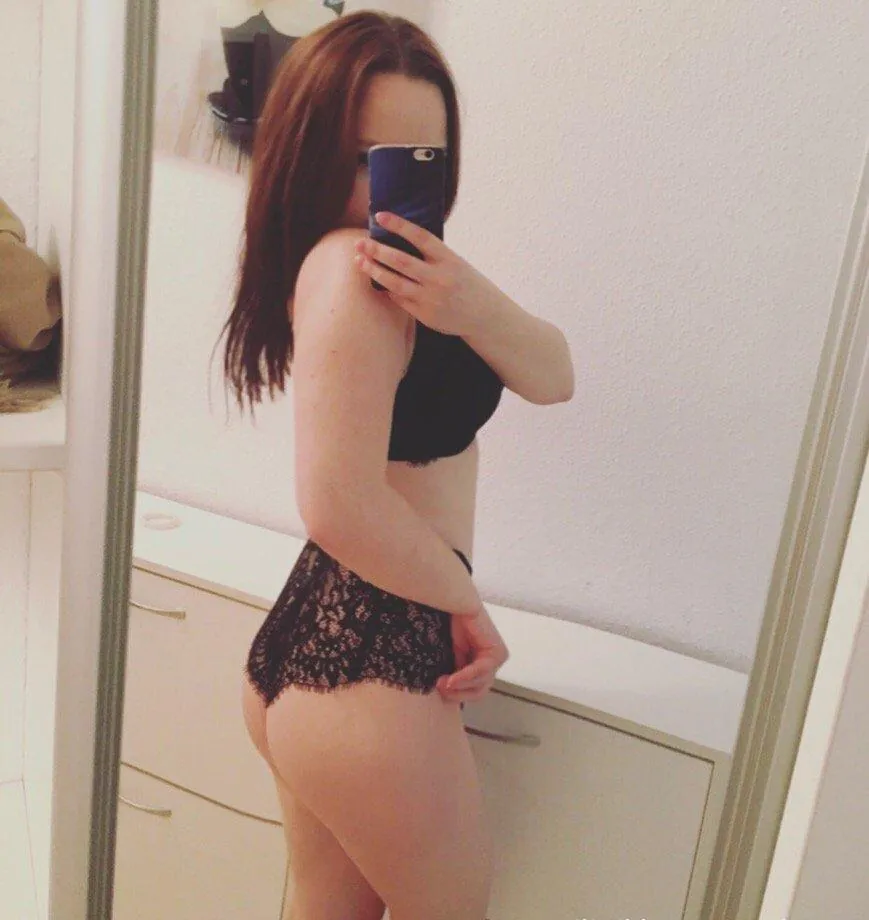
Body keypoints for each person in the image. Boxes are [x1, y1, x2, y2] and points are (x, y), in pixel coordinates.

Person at [220, 11, 574, 920]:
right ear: (306, 154)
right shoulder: (351, 276)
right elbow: (336, 503)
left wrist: (470, 301)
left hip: (329, 639)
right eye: (362, 158)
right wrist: (466, 605)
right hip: (371, 654)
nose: (391, 186)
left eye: (423, 159)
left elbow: (553, 376)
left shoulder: (412, 279)